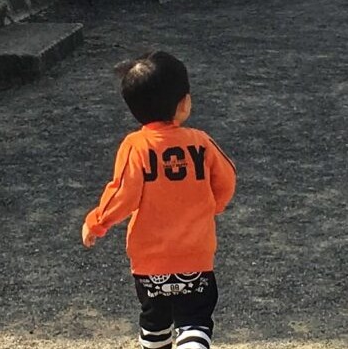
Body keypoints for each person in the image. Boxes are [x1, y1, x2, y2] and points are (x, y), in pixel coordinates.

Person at [81, 50, 236, 349]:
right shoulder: (201, 142)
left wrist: (96, 222)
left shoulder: (135, 147)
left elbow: (121, 193)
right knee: (195, 320)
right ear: (184, 104)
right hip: (196, 256)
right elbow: (227, 178)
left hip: (150, 262)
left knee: (154, 322)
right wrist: (213, 206)